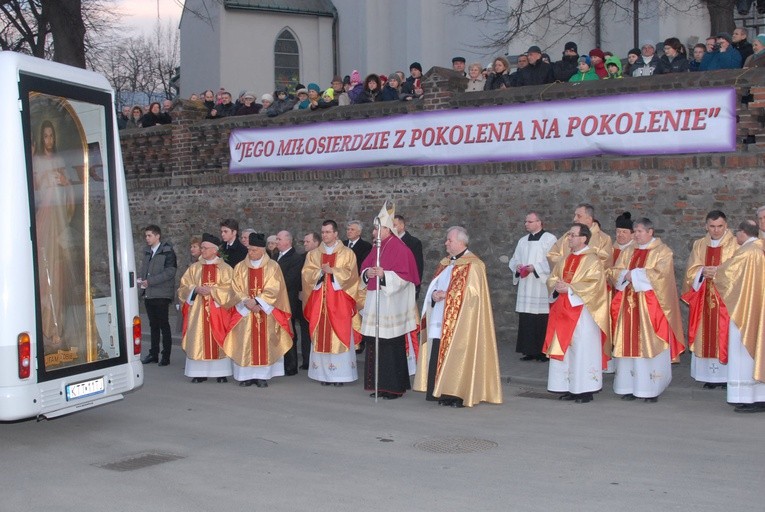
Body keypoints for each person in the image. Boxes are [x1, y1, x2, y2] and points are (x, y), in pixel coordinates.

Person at [414, 226, 502, 408]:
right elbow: (433, 286)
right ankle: (440, 391)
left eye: (449, 240)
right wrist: (434, 295)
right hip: (440, 315)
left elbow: (474, 296)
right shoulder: (445, 263)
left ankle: (458, 394)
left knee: (459, 353)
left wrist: (449, 295)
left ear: (461, 242)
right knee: (437, 350)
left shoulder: (474, 265)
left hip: (461, 321)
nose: (446, 243)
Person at [609, 217, 685, 402]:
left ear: (650, 232)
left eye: (640, 231)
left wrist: (632, 274)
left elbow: (661, 276)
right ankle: (628, 386)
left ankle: (652, 390)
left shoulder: (663, 251)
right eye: (634, 232)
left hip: (650, 309)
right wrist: (622, 274)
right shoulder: (628, 251)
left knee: (650, 346)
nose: (636, 235)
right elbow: (613, 270)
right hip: (629, 307)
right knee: (628, 344)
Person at [359, 203, 420, 400]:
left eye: (377, 228)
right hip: (376, 302)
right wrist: (367, 273)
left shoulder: (400, 248)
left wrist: (385, 275)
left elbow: (406, 277)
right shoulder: (377, 247)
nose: (374, 231)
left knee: (391, 346)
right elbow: (364, 269)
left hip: (390, 305)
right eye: (374, 228)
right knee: (375, 345)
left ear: (387, 229)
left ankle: (394, 387)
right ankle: (379, 385)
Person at [544, 223, 609, 403]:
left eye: (573, 235)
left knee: (582, 349)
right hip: (563, 310)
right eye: (569, 235)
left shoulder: (592, 260)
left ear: (583, 238)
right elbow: (553, 278)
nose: (569, 238)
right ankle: (569, 387)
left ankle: (586, 390)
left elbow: (594, 284)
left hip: (583, 313)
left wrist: (570, 288)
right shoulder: (565, 259)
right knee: (567, 348)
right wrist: (557, 287)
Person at [223, 233, 293, 388]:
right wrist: (246, 301)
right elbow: (234, 287)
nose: (251, 253)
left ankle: (263, 376)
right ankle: (246, 376)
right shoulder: (241, 266)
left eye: (254, 250)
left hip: (265, 311)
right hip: (245, 312)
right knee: (245, 342)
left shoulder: (273, 267)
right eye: (249, 250)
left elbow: (275, 288)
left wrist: (257, 301)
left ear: (262, 250)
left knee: (265, 343)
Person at [681, 210, 738, 389]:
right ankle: (709, 378)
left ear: (726, 225)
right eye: (712, 227)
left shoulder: (735, 244)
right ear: (706, 226)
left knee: (725, 334)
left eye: (720, 226)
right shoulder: (699, 245)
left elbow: (739, 270)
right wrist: (701, 271)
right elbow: (691, 270)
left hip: (725, 301)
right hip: (704, 299)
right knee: (704, 334)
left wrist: (719, 273)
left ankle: (726, 376)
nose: (716, 230)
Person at [301, 220, 361, 386]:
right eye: (323, 232)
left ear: (336, 234)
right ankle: (322, 375)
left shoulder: (347, 253)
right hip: (320, 303)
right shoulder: (313, 254)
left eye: (328, 232)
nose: (325, 235)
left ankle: (340, 376)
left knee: (339, 334)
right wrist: (320, 272)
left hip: (339, 303)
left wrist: (333, 272)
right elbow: (306, 274)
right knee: (321, 335)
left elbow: (351, 276)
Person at [714, 220, 765, 412]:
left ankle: (746, 397)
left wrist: (715, 272)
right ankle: (757, 396)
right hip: (756, 306)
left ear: (742, 233)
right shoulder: (759, 248)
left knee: (742, 351)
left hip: (745, 309)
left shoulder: (747, 252)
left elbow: (727, 274)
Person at [178, 233, 233, 383]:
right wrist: (195, 289)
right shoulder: (195, 268)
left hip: (218, 312)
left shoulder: (225, 269)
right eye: (201, 248)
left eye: (205, 248)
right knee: (198, 338)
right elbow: (183, 286)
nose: (202, 250)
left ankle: (221, 372)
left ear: (215, 250)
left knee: (218, 339)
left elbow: (231, 289)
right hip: (198, 312)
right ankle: (199, 372)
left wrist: (213, 291)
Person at [508, 211, 557, 361]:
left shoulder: (550, 239)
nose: (526, 224)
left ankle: (543, 352)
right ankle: (529, 350)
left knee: (541, 318)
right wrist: (517, 266)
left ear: (539, 222)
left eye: (529, 222)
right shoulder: (523, 241)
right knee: (527, 318)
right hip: (526, 284)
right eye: (526, 222)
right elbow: (514, 259)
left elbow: (553, 261)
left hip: (540, 285)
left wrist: (535, 268)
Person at [138, 225, 177, 366]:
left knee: (163, 325)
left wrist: (150, 281)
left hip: (162, 294)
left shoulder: (167, 252)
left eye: (149, 236)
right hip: (149, 294)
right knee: (153, 325)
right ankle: (153, 353)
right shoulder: (147, 252)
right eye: (146, 236)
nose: (147, 238)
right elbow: (145, 270)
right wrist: (141, 282)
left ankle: (165, 355)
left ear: (157, 236)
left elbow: (170, 272)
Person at [274, 230, 304, 374]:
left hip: (288, 301)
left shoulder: (296, 258)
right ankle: (278, 362)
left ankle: (291, 365)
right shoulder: (274, 256)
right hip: (273, 301)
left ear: (288, 241)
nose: (277, 241)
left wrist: (271, 287)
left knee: (289, 331)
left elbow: (291, 280)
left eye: (279, 239)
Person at [548, 203, 612, 268]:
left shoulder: (604, 239)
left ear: (589, 220)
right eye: (575, 215)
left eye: (579, 216)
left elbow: (604, 265)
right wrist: (568, 262)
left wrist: (580, 268)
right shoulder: (567, 236)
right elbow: (552, 254)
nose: (574, 219)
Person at [392, 214, 424, 299]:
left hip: (407, 285)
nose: (391, 228)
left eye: (394, 225)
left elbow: (418, 266)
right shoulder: (389, 242)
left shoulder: (414, 243)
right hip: (391, 285)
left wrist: (416, 287)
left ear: (402, 226)